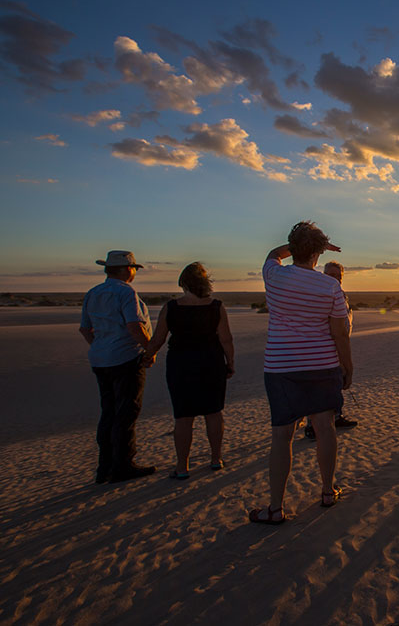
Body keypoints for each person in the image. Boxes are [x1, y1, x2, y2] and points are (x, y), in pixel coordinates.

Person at [249, 221, 353, 525]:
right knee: (325, 428)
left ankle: (276, 507)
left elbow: (273, 253)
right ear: (318, 253)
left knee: (282, 435)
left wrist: (297, 245)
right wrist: (348, 366)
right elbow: (339, 333)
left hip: (282, 367)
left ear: (292, 249)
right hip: (322, 365)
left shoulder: (274, 274)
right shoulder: (330, 286)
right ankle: (326, 491)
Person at [145, 263, 234, 479]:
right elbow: (226, 339)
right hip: (210, 363)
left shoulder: (172, 307)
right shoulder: (216, 306)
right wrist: (230, 362)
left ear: (183, 283)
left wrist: (147, 356)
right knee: (213, 413)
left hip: (181, 365)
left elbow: (158, 338)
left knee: (183, 416)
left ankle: (182, 466)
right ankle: (216, 459)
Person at [79, 250, 156, 484]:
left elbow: (85, 329)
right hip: (125, 359)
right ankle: (122, 465)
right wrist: (150, 351)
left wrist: (101, 346)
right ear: (125, 269)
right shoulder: (125, 292)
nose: (134, 272)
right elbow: (134, 326)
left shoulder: (93, 293)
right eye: (133, 268)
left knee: (109, 410)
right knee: (126, 412)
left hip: (101, 360)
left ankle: (105, 466)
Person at [303, 260, 357, 439]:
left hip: (337, 346)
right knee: (318, 387)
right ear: (324, 275)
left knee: (335, 383)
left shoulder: (340, 294)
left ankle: (336, 415)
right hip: (322, 347)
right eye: (331, 275)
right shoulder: (318, 295)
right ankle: (312, 425)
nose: (335, 279)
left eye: (338, 276)